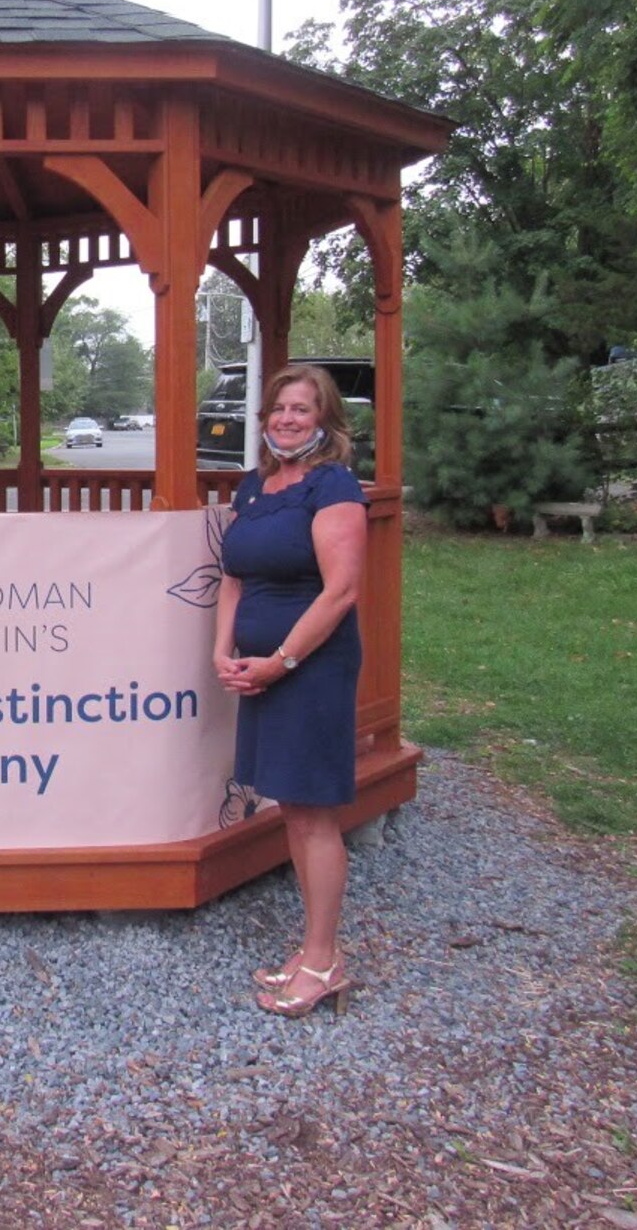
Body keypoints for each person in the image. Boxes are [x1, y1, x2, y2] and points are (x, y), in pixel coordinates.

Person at [211, 363, 368, 1019]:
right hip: (259, 666)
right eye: (278, 408)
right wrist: (223, 648)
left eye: (301, 408)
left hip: (312, 668)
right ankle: (311, 951)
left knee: (313, 812)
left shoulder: (333, 486)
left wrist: (280, 659)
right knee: (291, 809)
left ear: (325, 420)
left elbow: (341, 590)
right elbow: (234, 579)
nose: (286, 418)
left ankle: (325, 960)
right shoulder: (257, 485)